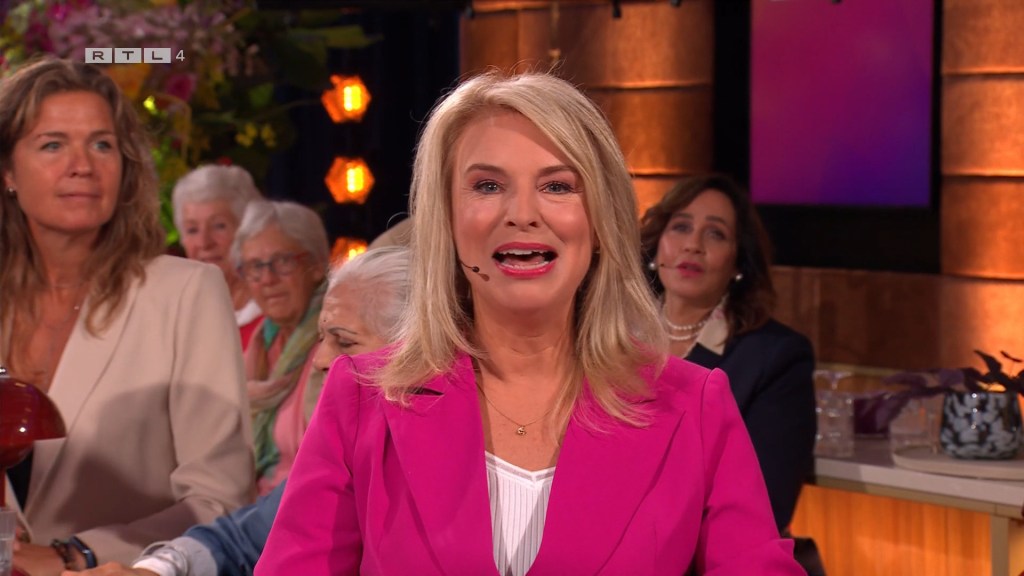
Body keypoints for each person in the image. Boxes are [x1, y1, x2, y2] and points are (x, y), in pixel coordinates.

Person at [257, 71, 803, 575]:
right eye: (487, 186)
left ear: (601, 222)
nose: (521, 214)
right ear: (447, 219)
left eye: (558, 186)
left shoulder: (694, 406)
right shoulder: (362, 398)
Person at [0, 57, 254, 573]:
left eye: (102, 145)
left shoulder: (185, 293)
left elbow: (220, 498)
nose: (82, 165)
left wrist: (77, 553)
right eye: (53, 145)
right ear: (7, 171)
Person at [69, 246, 412, 576]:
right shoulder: (344, 450)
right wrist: (153, 569)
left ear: (416, 349)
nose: (320, 360)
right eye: (321, 338)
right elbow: (239, 539)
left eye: (345, 341)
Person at [639, 173, 816, 533]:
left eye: (715, 234)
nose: (693, 245)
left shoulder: (776, 358)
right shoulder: (609, 337)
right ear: (657, 247)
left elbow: (764, 507)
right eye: (681, 227)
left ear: (738, 265)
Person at [231, 199, 330, 496]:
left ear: (316, 265)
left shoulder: (335, 344)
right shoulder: (260, 345)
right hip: (255, 501)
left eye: (283, 261)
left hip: (305, 499)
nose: (268, 279)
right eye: (255, 267)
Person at [172, 164, 263, 349]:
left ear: (248, 230)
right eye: (192, 230)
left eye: (219, 226)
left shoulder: (274, 316)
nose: (204, 242)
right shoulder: (174, 314)